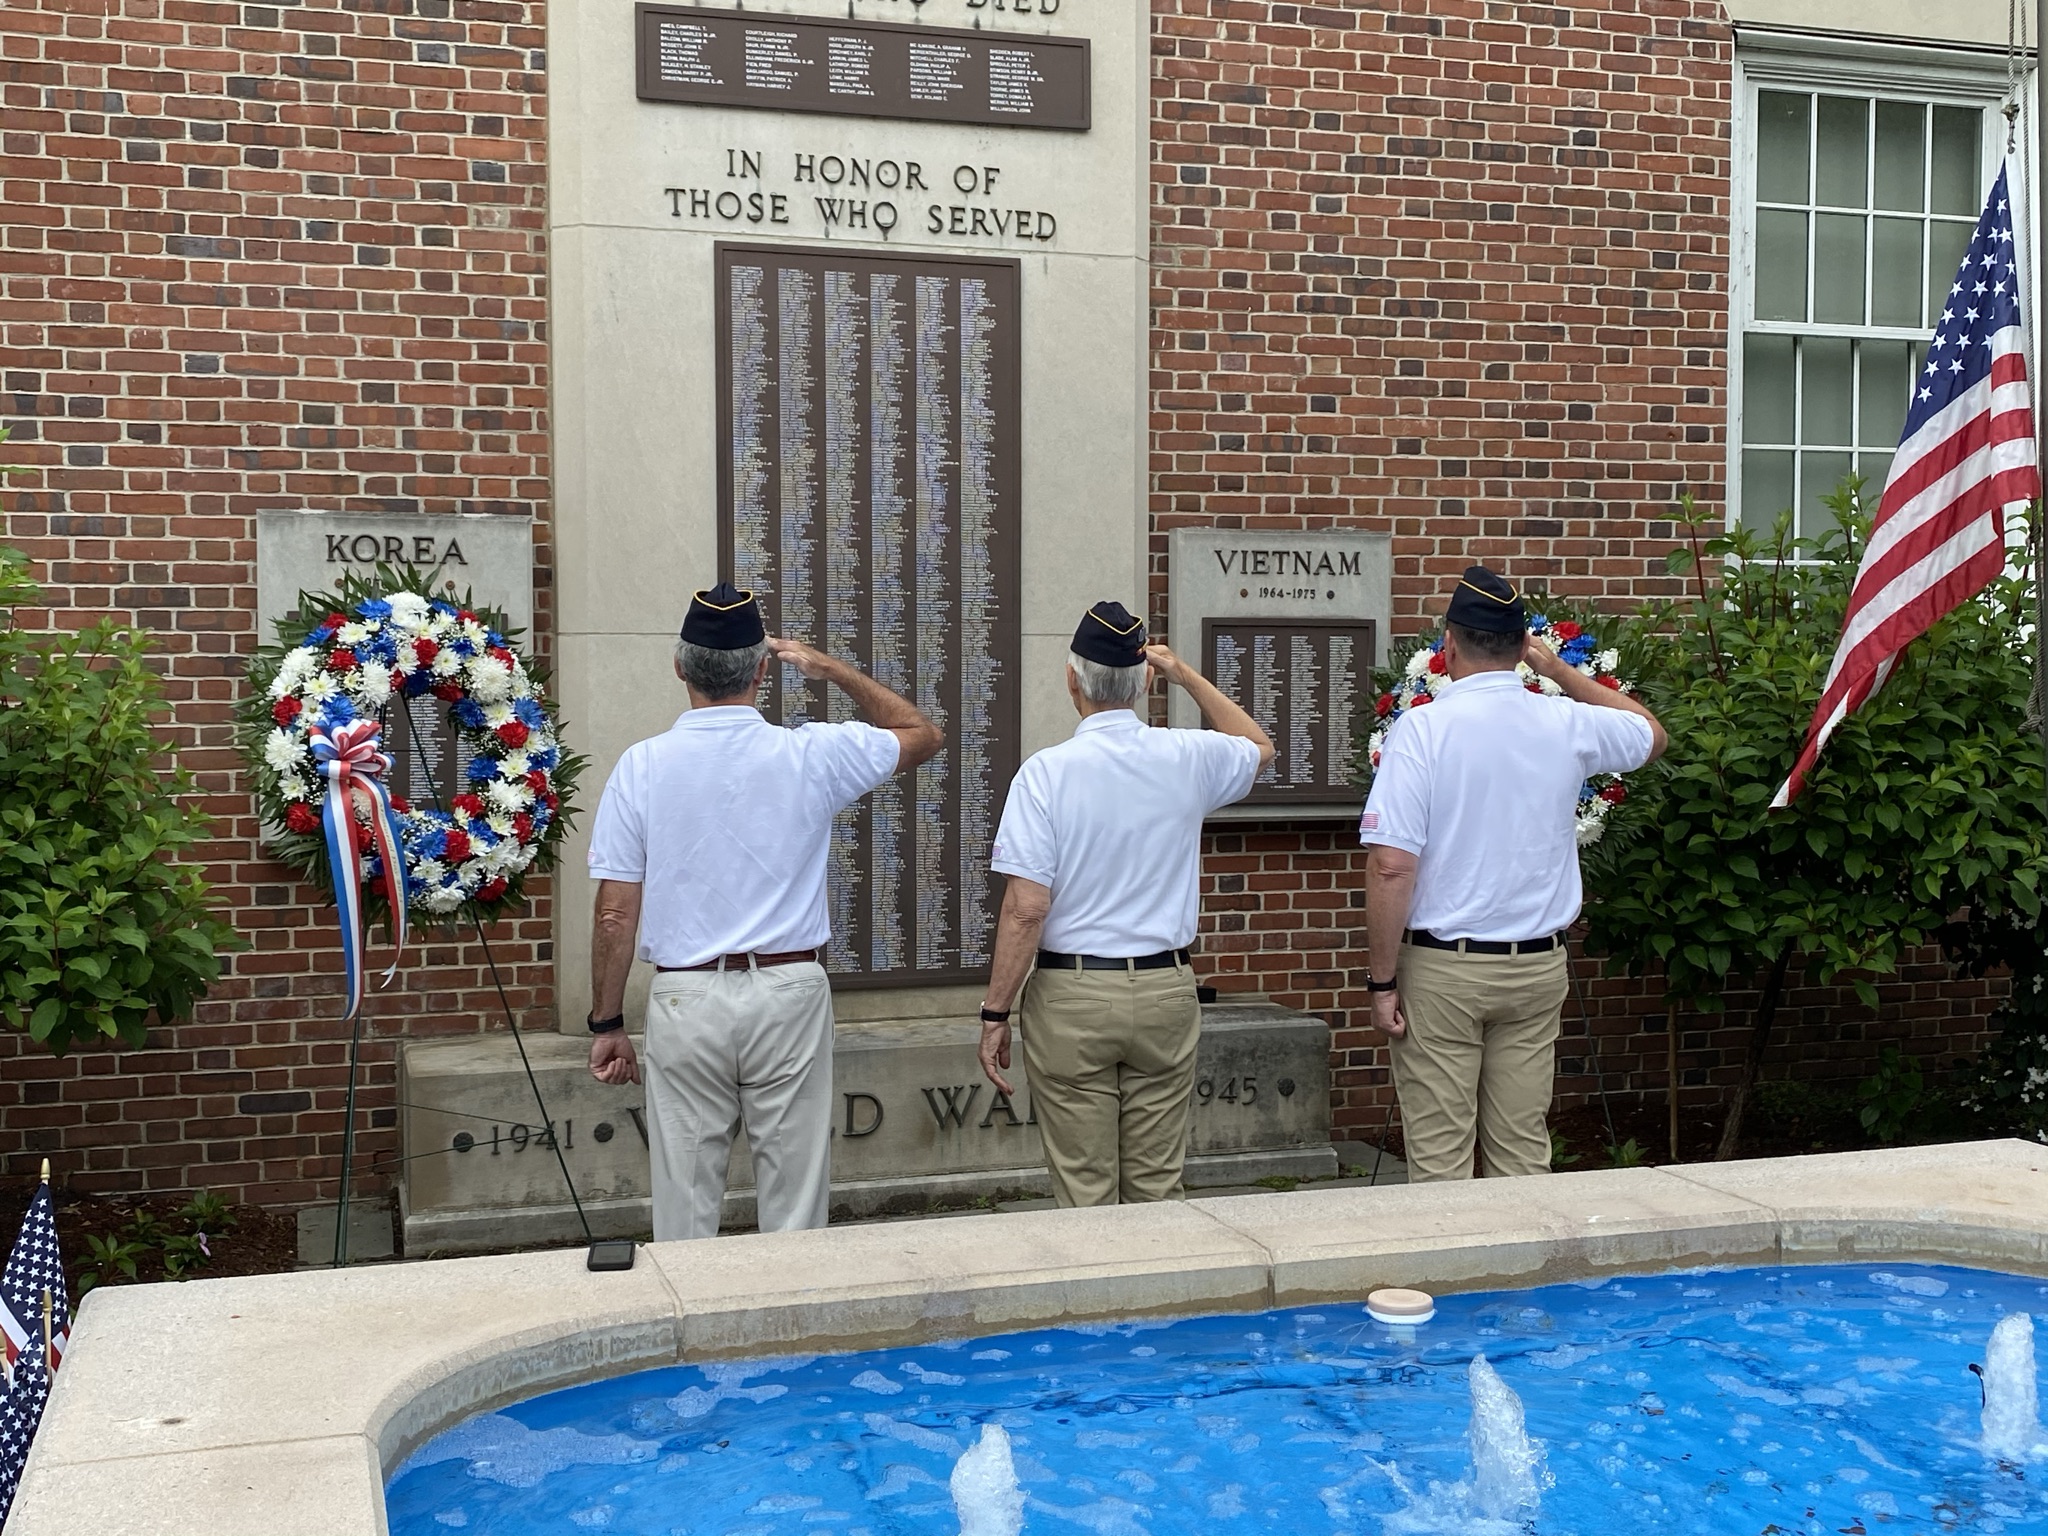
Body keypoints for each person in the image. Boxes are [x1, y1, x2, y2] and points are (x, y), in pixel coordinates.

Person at [582, 582, 942, 1241]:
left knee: (684, 1200)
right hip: (787, 989)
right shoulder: (811, 754)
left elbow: (614, 914)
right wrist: (831, 668)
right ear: (762, 670)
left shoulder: (642, 766)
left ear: (679, 666)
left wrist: (606, 1020)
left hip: (687, 996)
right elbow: (920, 733)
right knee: (795, 1199)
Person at [1359, 564, 1668, 1182]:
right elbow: (1650, 735)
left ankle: (1448, 1276)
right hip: (1536, 966)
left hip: (1445, 967)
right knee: (1522, 1154)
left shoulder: (1423, 728)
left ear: (1449, 644)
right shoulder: (1563, 721)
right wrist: (1558, 671)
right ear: (1521, 646)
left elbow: (1392, 865)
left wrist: (1382, 981)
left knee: (1441, 1160)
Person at [976, 600, 1275, 1207]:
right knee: (1158, 1188)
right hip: (1166, 988)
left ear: (1070, 680)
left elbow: (1026, 907)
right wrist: (1185, 675)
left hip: (1074, 996)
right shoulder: (1186, 757)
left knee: (1086, 1192)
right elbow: (1258, 745)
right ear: (1144, 680)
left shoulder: (1045, 774)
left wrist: (995, 1012)